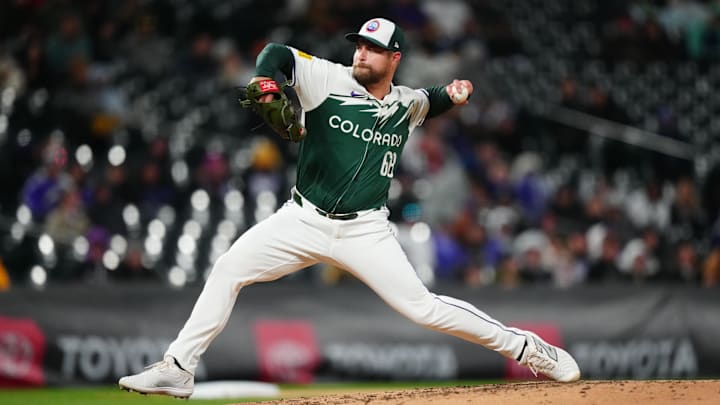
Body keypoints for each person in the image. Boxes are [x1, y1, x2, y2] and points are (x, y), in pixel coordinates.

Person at [118, 17, 580, 398]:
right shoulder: (326, 77)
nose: (361, 54)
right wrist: (264, 77)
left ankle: (526, 348)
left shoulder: (407, 103)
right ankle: (179, 366)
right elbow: (277, 52)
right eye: (359, 46)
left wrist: (456, 94)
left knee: (424, 309)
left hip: (365, 231)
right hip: (301, 219)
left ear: (394, 58)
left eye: (373, 49)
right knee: (228, 269)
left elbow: (432, 100)